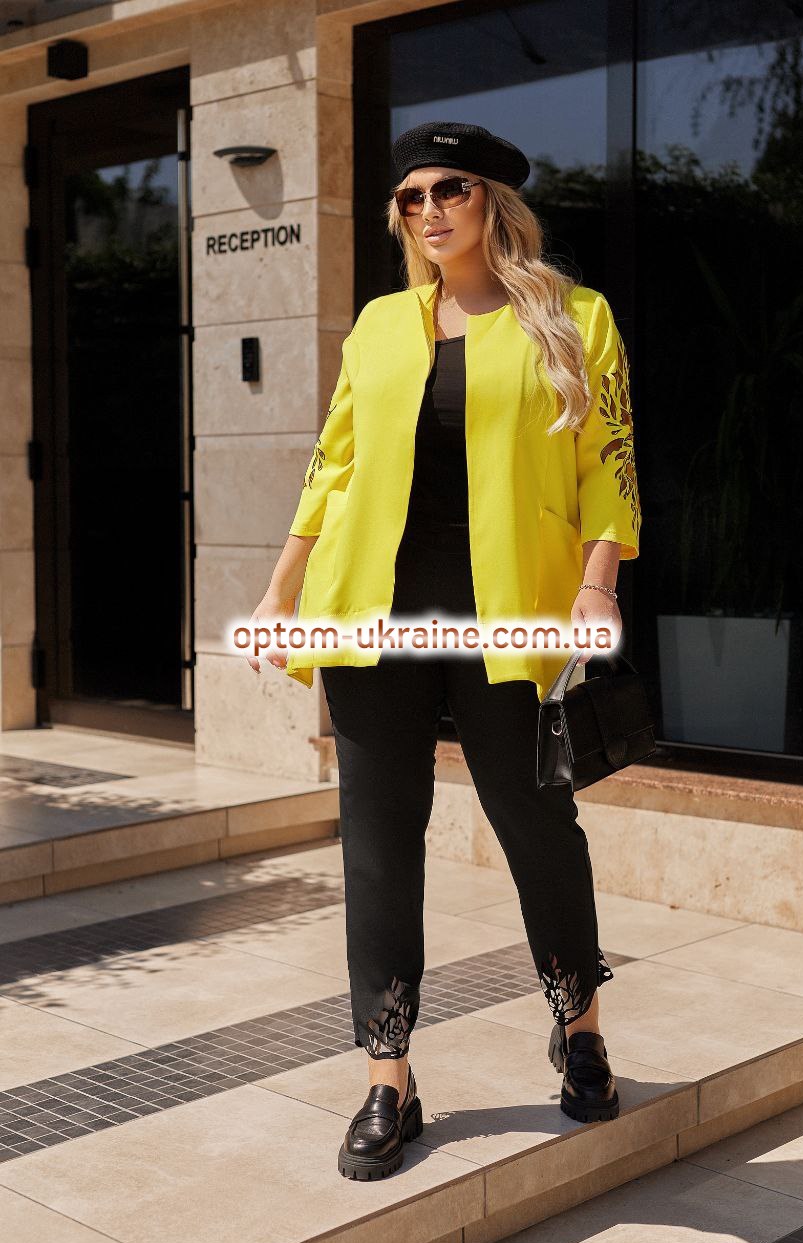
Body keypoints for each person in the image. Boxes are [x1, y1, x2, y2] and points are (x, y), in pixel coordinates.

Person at [247, 120, 641, 1181]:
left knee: (536, 824)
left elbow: (608, 461)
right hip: (371, 616)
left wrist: (597, 584)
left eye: (448, 189)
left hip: (510, 616)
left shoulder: (574, 317)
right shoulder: (380, 325)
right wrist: (282, 587)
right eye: (410, 195)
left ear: (493, 202)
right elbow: (332, 462)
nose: (426, 209)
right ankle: (388, 1075)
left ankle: (580, 1028)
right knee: (378, 842)